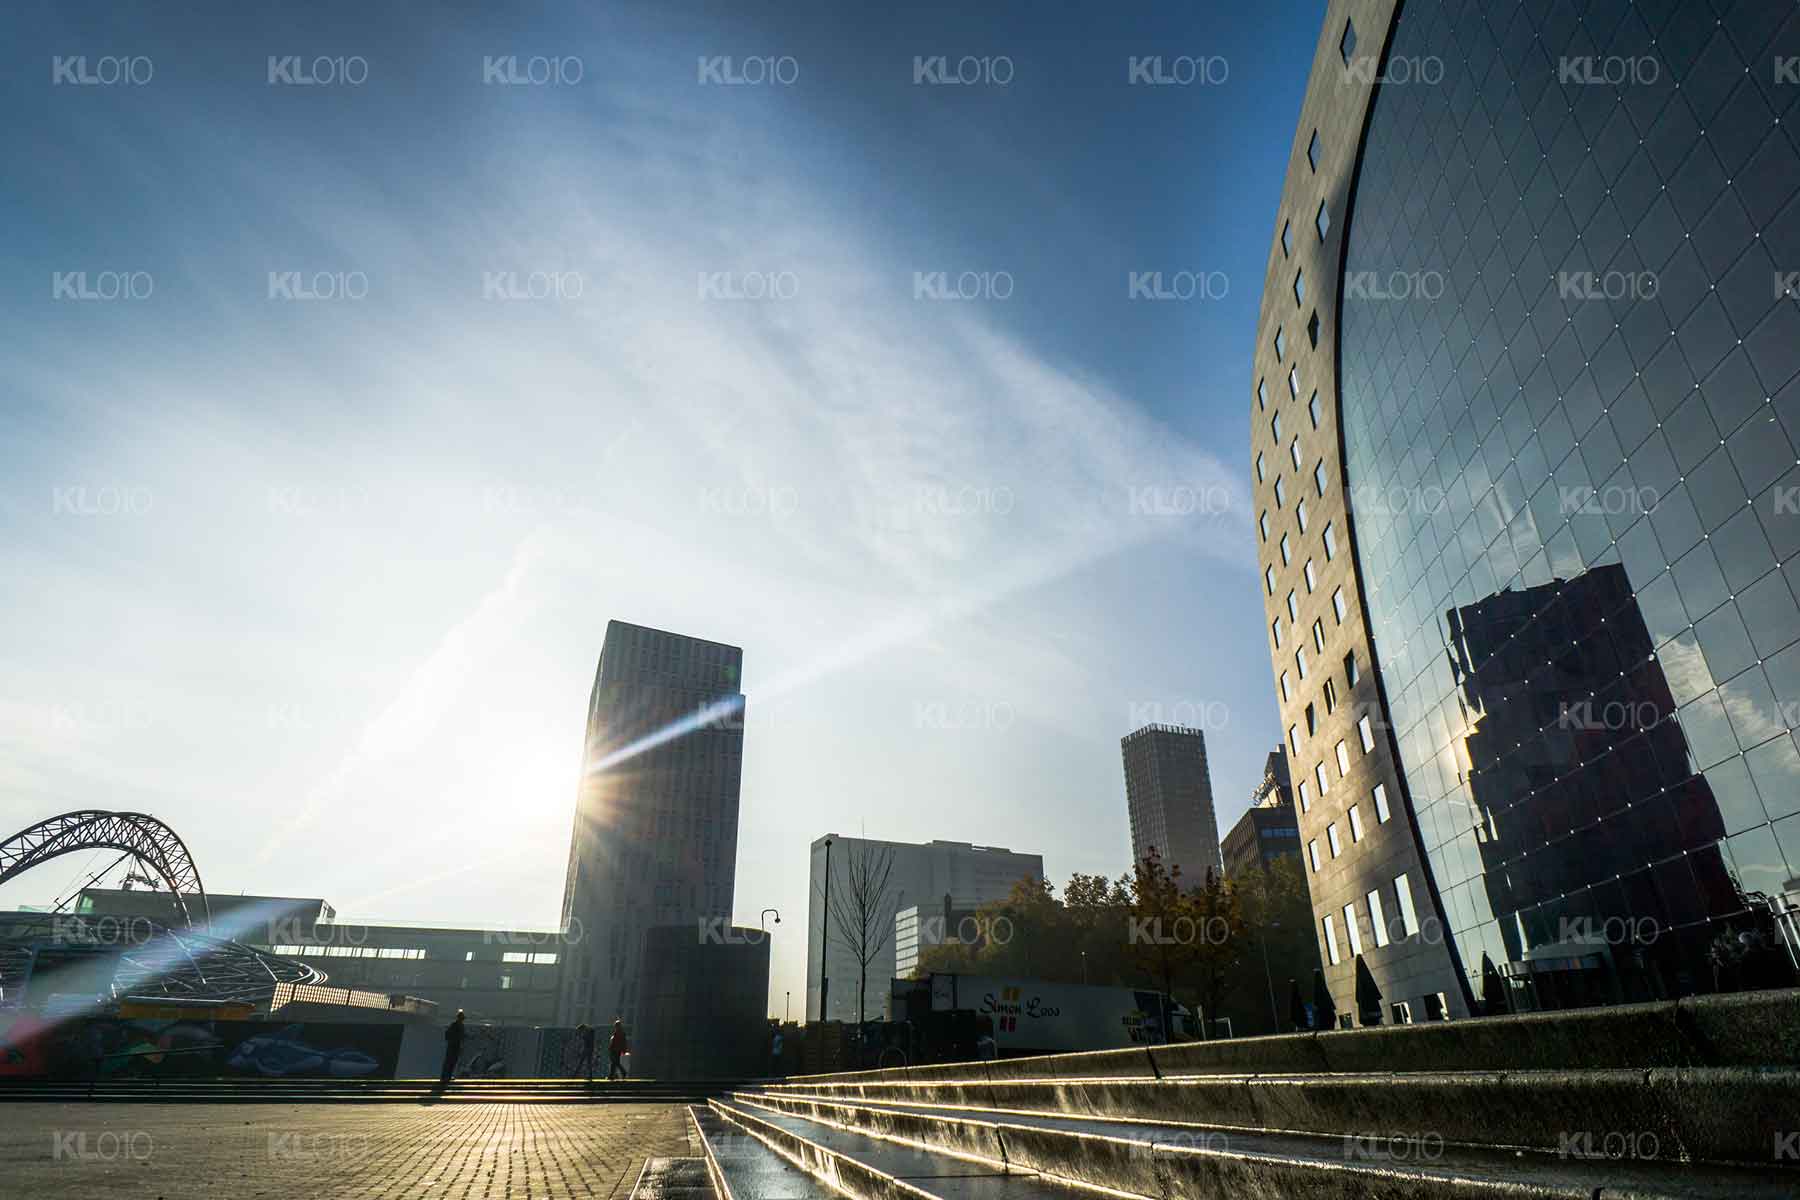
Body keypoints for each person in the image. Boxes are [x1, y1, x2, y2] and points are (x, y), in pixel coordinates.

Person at [440, 1010, 465, 1086]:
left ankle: (448, 1076)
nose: (462, 1019)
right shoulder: (455, 1025)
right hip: (452, 1046)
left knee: (452, 1062)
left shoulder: (460, 1025)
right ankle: (445, 1077)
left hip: (456, 1046)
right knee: (449, 1061)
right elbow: (448, 1034)